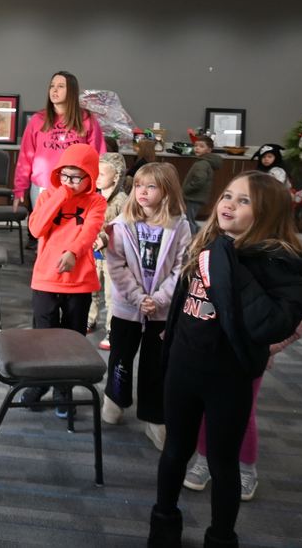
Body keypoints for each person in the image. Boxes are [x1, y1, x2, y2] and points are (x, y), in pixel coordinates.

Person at [149, 171, 302, 548]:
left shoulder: (281, 265)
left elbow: (272, 322)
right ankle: (163, 525)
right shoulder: (207, 246)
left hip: (229, 378)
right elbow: (181, 306)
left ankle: (220, 537)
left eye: (244, 201)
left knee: (223, 464)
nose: (228, 205)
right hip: (184, 369)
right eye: (227, 196)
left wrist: (226, 261)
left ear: (268, 213)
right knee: (175, 452)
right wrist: (170, 345)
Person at [102, 163, 191, 451]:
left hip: (161, 313)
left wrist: (160, 300)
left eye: (150, 186)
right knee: (120, 357)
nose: (142, 191)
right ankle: (114, 401)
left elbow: (182, 268)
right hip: (127, 308)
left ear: (167, 191)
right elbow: (116, 267)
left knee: (157, 366)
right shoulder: (121, 224)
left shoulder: (180, 226)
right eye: (138, 185)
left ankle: (155, 420)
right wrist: (139, 298)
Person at [183, 315, 302, 502]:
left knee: (243, 411)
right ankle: (204, 460)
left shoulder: (278, 286)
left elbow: (299, 317)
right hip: (212, 348)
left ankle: (246, 469)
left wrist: (271, 347)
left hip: (250, 355)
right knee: (207, 405)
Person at [22, 143, 107, 417]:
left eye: (76, 177)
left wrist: (72, 252)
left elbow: (90, 231)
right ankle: (40, 382)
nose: (70, 182)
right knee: (43, 337)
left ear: (90, 177)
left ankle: (63, 389)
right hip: (46, 278)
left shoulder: (96, 201)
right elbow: (36, 228)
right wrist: (61, 194)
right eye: (65, 175)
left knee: (72, 340)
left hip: (79, 281)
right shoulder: (49, 195)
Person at [13, 71, 106, 228]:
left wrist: (100, 188)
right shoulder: (38, 120)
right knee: (43, 233)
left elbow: (98, 156)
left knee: (70, 234)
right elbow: (25, 158)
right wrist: (19, 189)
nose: (54, 90)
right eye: (52, 86)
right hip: (43, 187)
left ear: (71, 91)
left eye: (60, 86)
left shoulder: (87, 120)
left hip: (76, 188)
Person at [88, 152, 128, 340]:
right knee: (91, 291)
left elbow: (125, 228)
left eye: (102, 174)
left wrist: (105, 238)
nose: (97, 178)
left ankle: (112, 330)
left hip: (112, 257)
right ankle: (89, 319)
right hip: (93, 254)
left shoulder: (122, 201)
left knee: (111, 295)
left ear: (116, 176)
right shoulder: (93, 197)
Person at [181, 136, 221, 233]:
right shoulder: (205, 162)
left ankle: (193, 238)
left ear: (209, 150)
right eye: (196, 146)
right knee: (191, 218)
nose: (197, 148)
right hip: (198, 198)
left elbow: (199, 180)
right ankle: (198, 232)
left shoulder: (202, 164)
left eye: (201, 146)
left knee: (188, 220)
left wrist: (185, 189)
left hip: (193, 197)